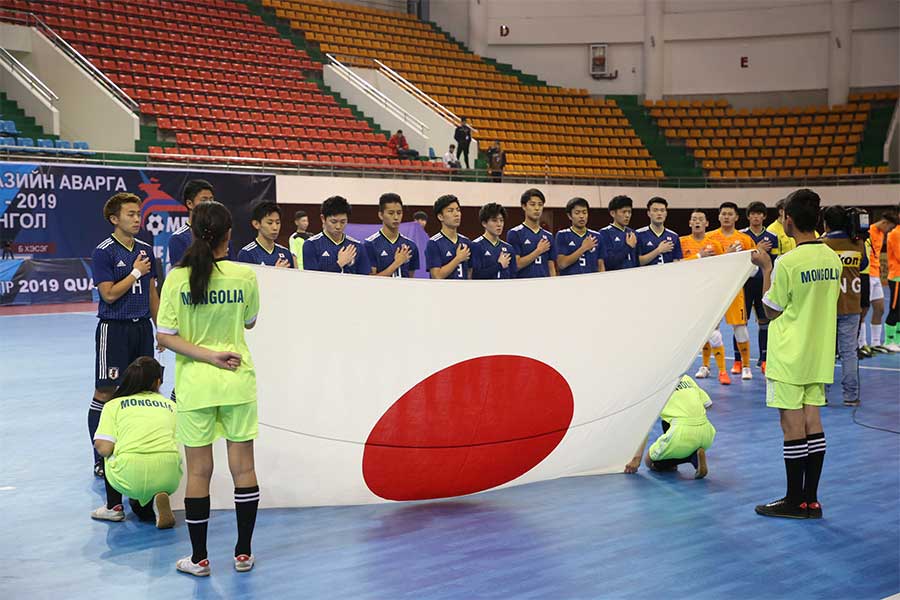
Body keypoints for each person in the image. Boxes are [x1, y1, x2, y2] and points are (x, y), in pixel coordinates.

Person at [156, 201, 261, 575]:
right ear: (229, 234)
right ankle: (243, 553)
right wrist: (218, 354)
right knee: (243, 468)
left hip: (196, 386)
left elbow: (165, 337)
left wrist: (205, 356)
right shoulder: (244, 276)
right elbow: (249, 322)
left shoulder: (176, 279)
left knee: (199, 472)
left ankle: (199, 559)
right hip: (237, 382)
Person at [753, 188, 841, 520]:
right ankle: (811, 500)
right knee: (813, 422)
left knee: (791, 426)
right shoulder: (831, 258)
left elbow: (770, 311)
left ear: (788, 220)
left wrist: (765, 269)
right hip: (818, 353)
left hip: (789, 353)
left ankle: (794, 500)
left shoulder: (788, 262)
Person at [88, 192, 160, 478]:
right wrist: (134, 273)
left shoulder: (145, 248)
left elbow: (152, 293)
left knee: (146, 390)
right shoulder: (104, 251)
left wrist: (160, 330)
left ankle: (138, 450)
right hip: (114, 329)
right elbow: (107, 294)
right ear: (114, 219)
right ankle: (99, 457)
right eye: (130, 214)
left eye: (138, 213)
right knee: (107, 391)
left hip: (141, 328)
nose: (136, 218)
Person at [91, 356, 181, 530]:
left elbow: (103, 448)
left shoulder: (114, 405)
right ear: (157, 382)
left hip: (130, 471)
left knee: (109, 450)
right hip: (170, 474)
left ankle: (113, 507)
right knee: (141, 506)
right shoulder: (171, 405)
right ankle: (154, 499)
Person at [708, 201, 770, 380]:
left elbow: (755, 266)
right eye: (723, 214)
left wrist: (745, 268)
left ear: (736, 217)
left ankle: (745, 366)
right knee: (711, 328)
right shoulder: (710, 238)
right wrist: (726, 256)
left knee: (740, 327)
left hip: (736, 290)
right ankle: (715, 368)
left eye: (730, 214)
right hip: (716, 290)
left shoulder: (744, 239)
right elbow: (707, 265)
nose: (726, 217)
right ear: (719, 216)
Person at [624, 375, 715, 479]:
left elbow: (646, 426)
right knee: (667, 422)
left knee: (650, 462)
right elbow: (708, 404)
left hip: (681, 433)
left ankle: (691, 458)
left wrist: (636, 459)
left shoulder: (654, 386)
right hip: (707, 433)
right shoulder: (686, 377)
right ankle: (691, 453)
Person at [822, 206, 868, 406]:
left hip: (827, 308)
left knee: (825, 352)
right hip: (851, 306)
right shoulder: (857, 244)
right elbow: (864, 265)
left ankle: (820, 394)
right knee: (849, 353)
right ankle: (851, 396)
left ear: (826, 223)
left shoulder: (823, 245)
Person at [681, 209, 730, 385]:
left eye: (701, 219)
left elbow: (723, 267)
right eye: (694, 219)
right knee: (702, 333)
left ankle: (723, 371)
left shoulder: (715, 244)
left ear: (707, 224)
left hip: (711, 293)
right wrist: (698, 256)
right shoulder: (682, 242)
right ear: (689, 223)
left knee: (714, 334)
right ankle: (705, 365)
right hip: (691, 293)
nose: (697, 222)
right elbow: (678, 265)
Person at [733, 201, 780, 373]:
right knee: (740, 322)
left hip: (763, 283)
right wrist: (756, 248)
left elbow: (773, 262)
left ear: (764, 216)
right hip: (744, 284)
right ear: (748, 216)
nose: (756, 217)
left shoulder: (772, 237)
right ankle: (738, 360)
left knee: (764, 321)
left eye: (759, 213)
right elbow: (739, 261)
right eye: (752, 213)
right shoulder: (741, 236)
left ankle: (764, 358)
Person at [303, 196, 371, 275]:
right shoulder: (311, 245)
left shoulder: (358, 246)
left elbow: (365, 280)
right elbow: (312, 279)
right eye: (333, 222)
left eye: (343, 222)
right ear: (323, 219)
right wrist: (339, 264)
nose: (338, 226)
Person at [365, 193, 420, 278]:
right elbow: (370, 280)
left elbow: (411, 278)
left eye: (399, 213)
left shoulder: (411, 245)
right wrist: (397, 263)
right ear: (380, 215)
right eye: (391, 213)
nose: (396, 217)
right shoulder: (370, 244)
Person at [866, 209, 898, 351]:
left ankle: (875, 343)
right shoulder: (868, 231)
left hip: (876, 274)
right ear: (885, 223)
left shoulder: (881, 234)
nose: (889, 231)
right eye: (889, 227)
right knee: (863, 310)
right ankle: (861, 344)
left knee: (880, 308)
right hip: (866, 274)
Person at [507, 188, 557, 278]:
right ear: (524, 206)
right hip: (523, 286)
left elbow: (551, 267)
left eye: (540, 205)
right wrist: (538, 251)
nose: (537, 208)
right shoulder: (514, 233)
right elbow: (516, 265)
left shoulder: (549, 236)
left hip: (544, 286)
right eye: (532, 204)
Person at [168, 179, 215, 270]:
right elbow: (181, 274)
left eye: (211, 199)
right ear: (189, 204)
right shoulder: (179, 238)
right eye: (204, 200)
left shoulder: (220, 234)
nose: (210, 204)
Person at [426, 194, 472, 280]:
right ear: (440, 216)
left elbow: (470, 273)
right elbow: (437, 276)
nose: (456, 214)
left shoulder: (467, 242)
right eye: (450, 211)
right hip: (443, 292)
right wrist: (458, 259)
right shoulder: (433, 243)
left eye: (458, 210)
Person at [236, 202, 294, 268]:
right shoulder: (247, 253)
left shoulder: (286, 253)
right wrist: (276, 273)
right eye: (270, 223)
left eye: (277, 223)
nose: (275, 227)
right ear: (256, 224)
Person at [555, 197, 603, 275]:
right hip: (570, 283)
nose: (582, 216)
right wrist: (583, 248)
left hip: (592, 282)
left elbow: (600, 265)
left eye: (584, 212)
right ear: (569, 216)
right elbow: (561, 264)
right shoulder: (562, 235)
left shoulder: (597, 236)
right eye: (577, 213)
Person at [471, 203, 516, 279]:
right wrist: (499, 265)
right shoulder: (476, 245)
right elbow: (475, 276)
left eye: (501, 220)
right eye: (494, 220)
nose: (499, 224)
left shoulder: (509, 248)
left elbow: (513, 276)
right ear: (484, 223)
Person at [596, 195, 638, 271]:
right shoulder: (604, 233)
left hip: (634, 277)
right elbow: (608, 262)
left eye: (629, 212)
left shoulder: (633, 233)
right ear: (612, 213)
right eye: (624, 212)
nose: (627, 215)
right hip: (615, 278)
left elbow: (637, 261)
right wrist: (628, 247)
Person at [637, 196, 682, 266]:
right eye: (655, 210)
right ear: (648, 213)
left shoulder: (674, 236)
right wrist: (658, 250)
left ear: (666, 213)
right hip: (647, 276)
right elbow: (638, 262)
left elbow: (677, 261)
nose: (659, 213)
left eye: (662, 210)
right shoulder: (639, 234)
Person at [884, 214, 900, 349]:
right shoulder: (895, 234)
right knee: (894, 309)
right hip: (896, 276)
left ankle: (898, 339)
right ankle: (889, 342)